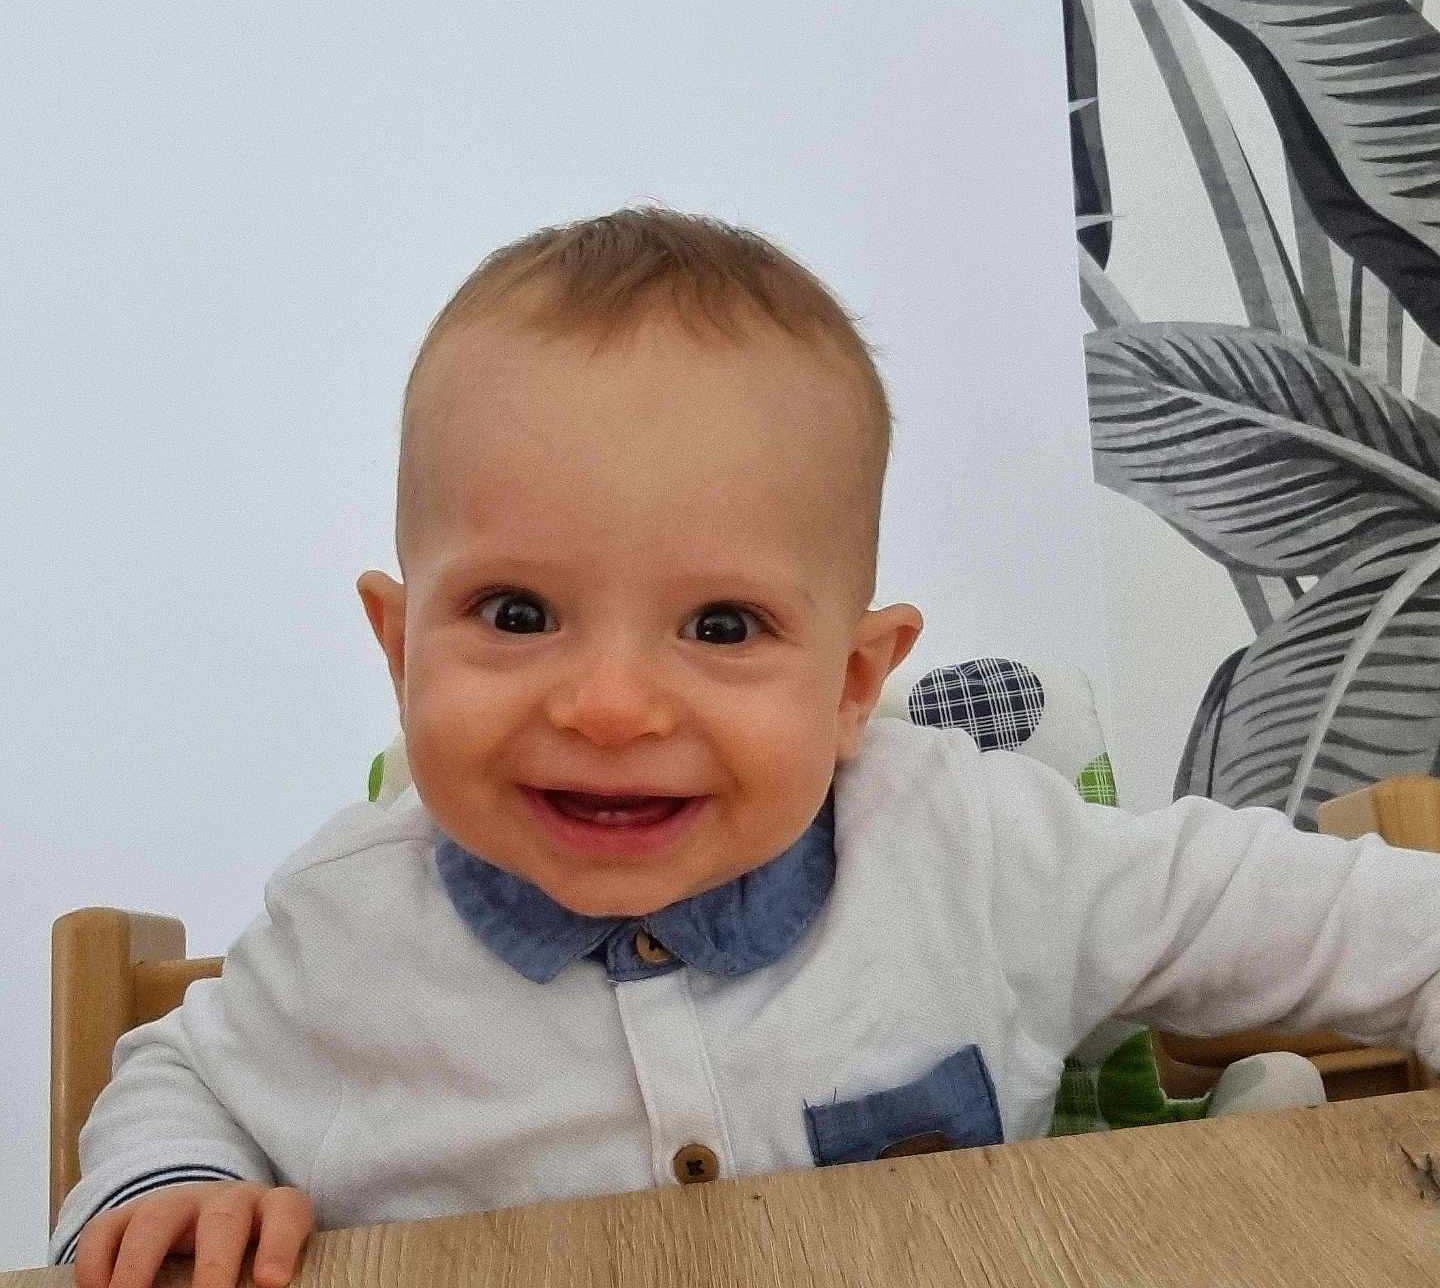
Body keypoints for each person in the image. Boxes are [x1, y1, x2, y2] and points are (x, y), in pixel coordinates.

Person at [55, 208, 1440, 1288]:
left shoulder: (975, 852)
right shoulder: (350, 930)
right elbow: (180, 1070)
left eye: (719, 625)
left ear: (850, 685)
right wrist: (161, 1186)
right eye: (516, 612)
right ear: (398, 643)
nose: (609, 706)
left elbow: (1358, 919)